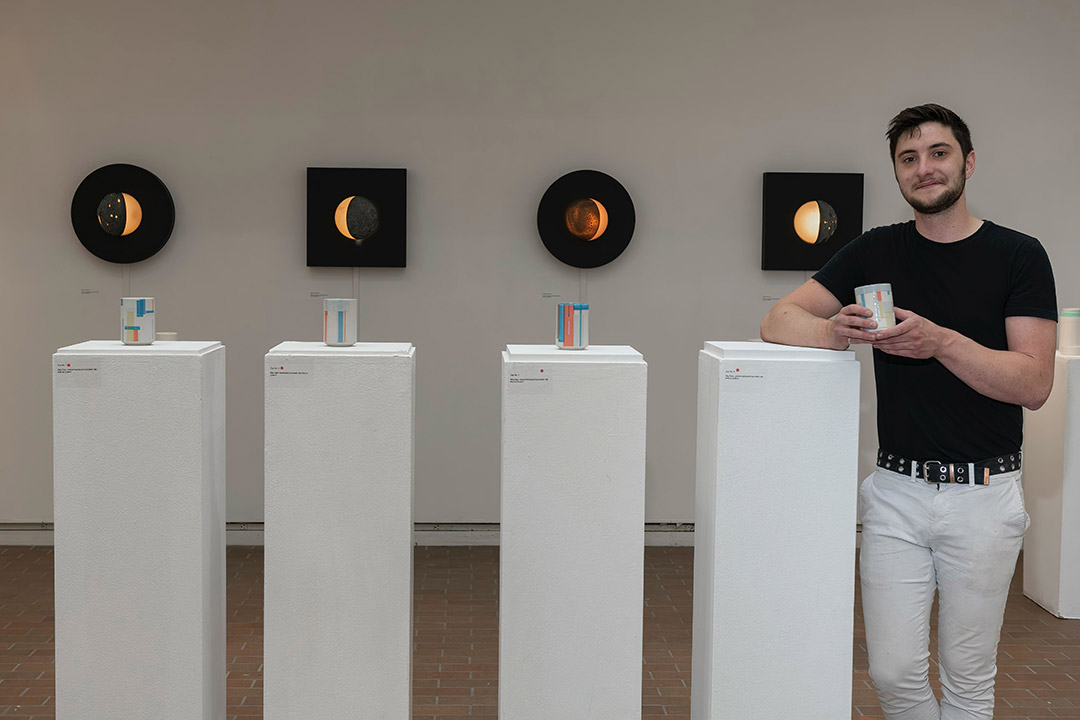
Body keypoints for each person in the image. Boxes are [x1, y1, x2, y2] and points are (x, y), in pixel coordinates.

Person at [760, 103, 1058, 720]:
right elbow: (776, 318)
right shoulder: (874, 251)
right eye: (908, 158)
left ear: (968, 162)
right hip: (896, 491)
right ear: (897, 174)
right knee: (893, 674)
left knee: (968, 679)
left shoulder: (1019, 255)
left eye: (938, 153)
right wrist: (833, 332)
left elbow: (1033, 381)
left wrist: (941, 342)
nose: (924, 168)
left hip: (984, 495)